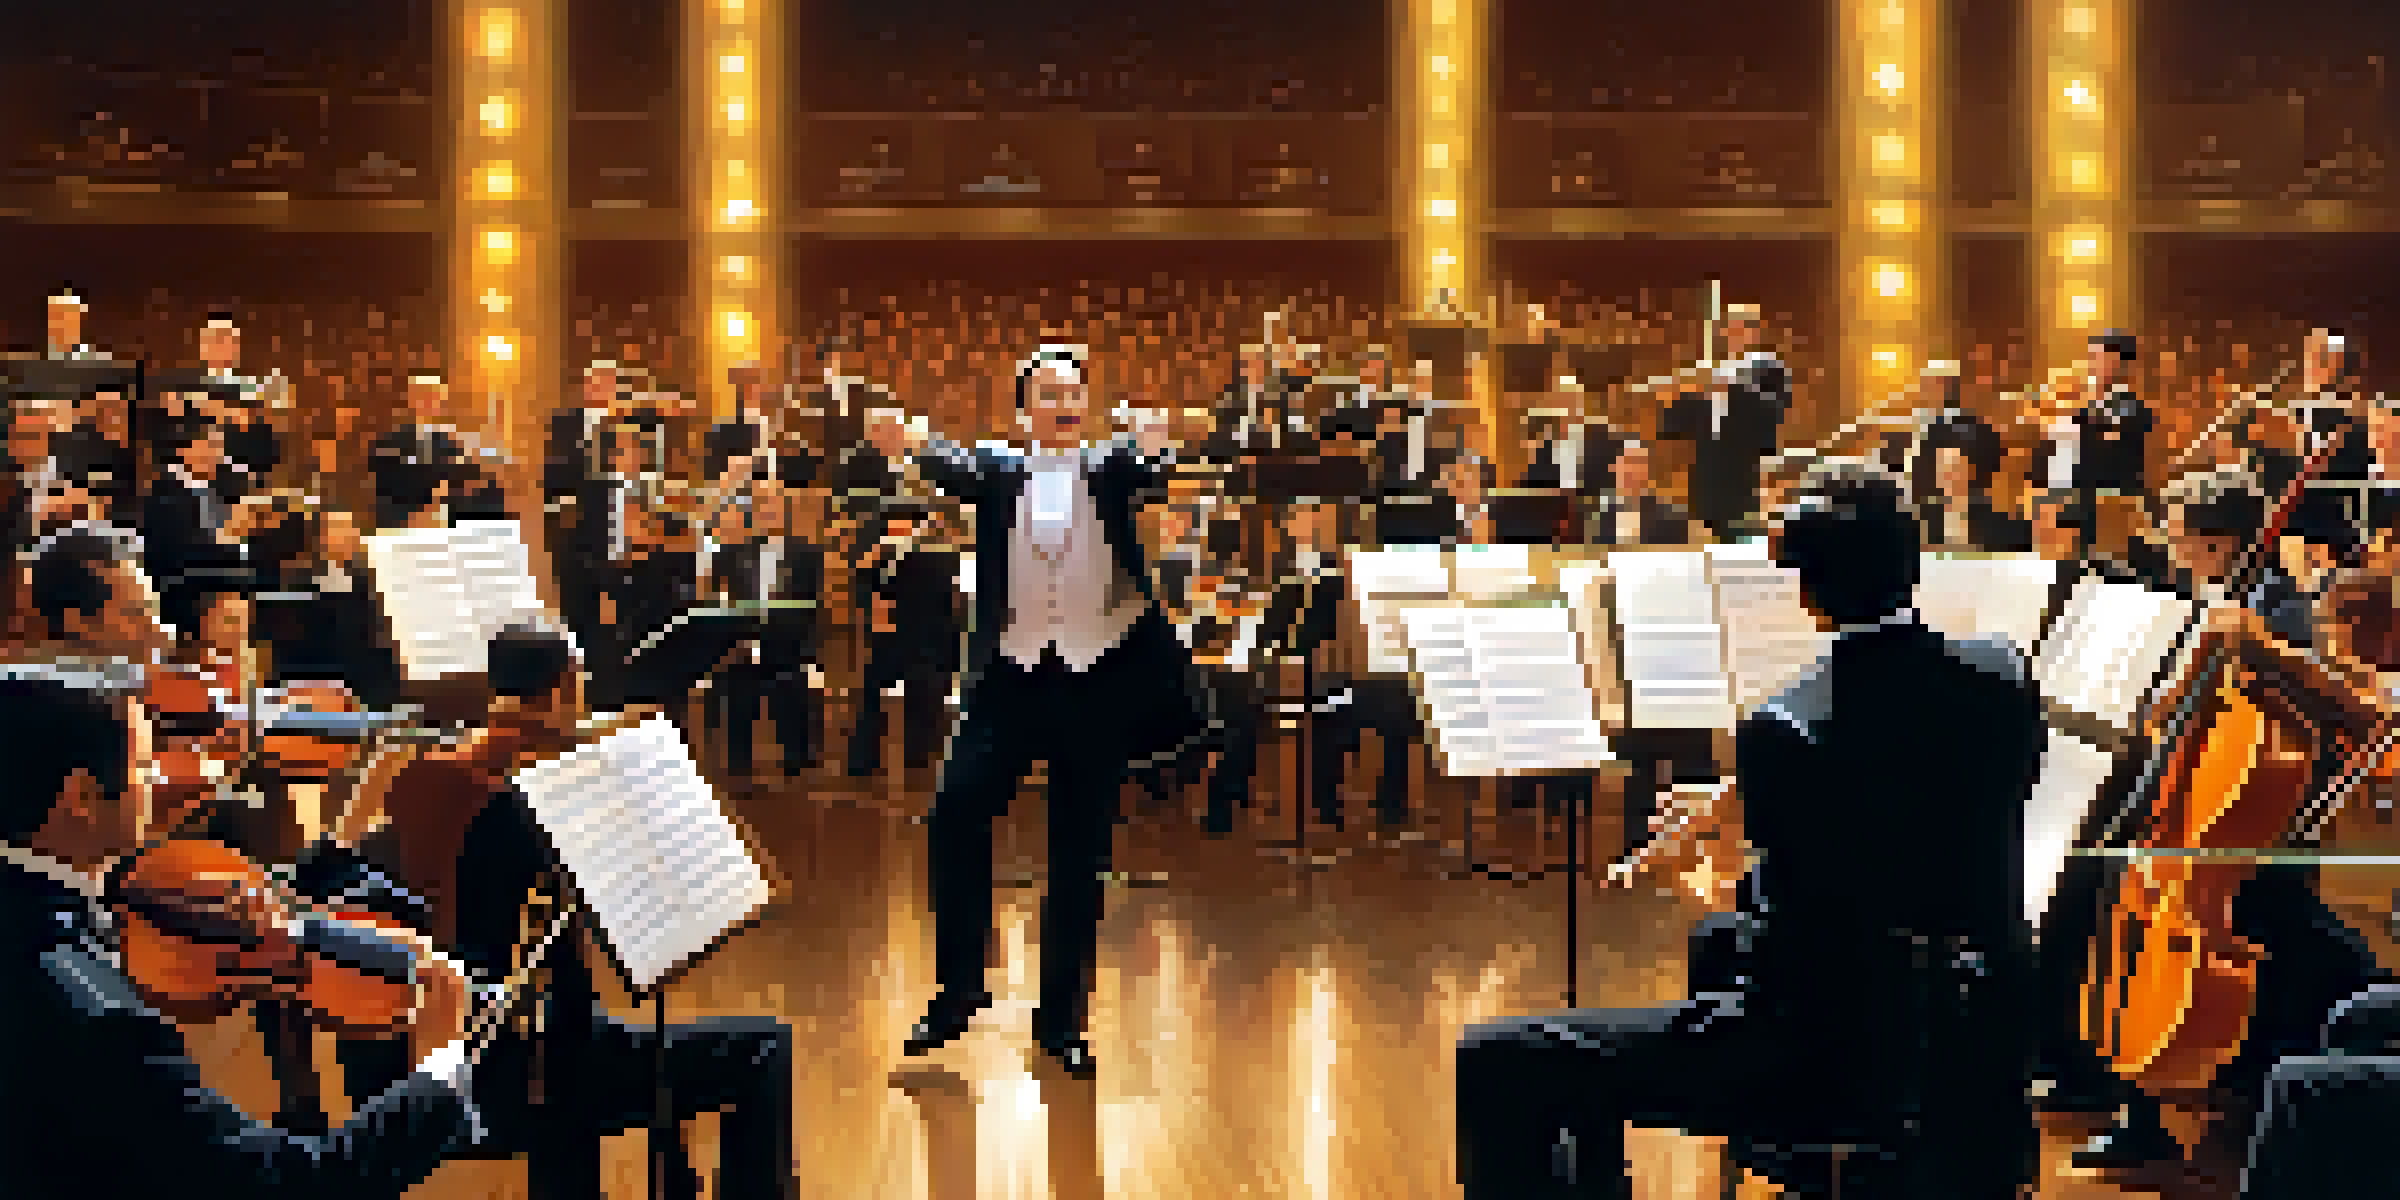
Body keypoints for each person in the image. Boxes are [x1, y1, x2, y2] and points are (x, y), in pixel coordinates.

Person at [1455, 461, 2045, 1199]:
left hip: (1834, 1058)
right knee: (1712, 957)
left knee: (1500, 1058)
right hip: (1983, 1038)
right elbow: (1907, 775)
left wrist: (1695, 880)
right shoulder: (2003, 676)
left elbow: (1793, 947)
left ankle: (1798, 1147)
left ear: (1805, 593)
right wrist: (1747, 796)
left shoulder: (1786, 726)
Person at [341, 626, 799, 1200]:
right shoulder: (556, 788)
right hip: (523, 1067)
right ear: (564, 691)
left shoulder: (419, 773)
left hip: (404, 1060)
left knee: (569, 1013)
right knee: (761, 1047)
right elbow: (740, 891)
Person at [0, 674, 483, 1195]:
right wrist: (441, 1065)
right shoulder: (98, 1018)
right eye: (144, 766)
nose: (161, 781)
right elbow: (302, 1182)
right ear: (79, 796)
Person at [875, 343, 1206, 1081]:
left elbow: (1148, 471)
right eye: (1047, 393)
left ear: (1083, 406)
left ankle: (1061, 1022)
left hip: (1095, 681)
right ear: (1024, 410)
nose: (1062, 403)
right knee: (955, 810)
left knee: (1079, 857)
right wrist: (904, 441)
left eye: (1072, 392)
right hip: (1011, 679)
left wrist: (1156, 442)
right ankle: (958, 990)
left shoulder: (1111, 466)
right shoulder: (998, 471)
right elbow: (948, 463)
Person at [1659, 302, 1789, 538]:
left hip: (1747, 479)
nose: (1735, 334)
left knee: (1742, 550)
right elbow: (1673, 428)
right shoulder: (1708, 372)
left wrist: (1728, 387)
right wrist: (1672, 397)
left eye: (1742, 328)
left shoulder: (1769, 368)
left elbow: (1771, 416)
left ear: (1755, 333)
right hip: (1705, 484)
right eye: (1731, 328)